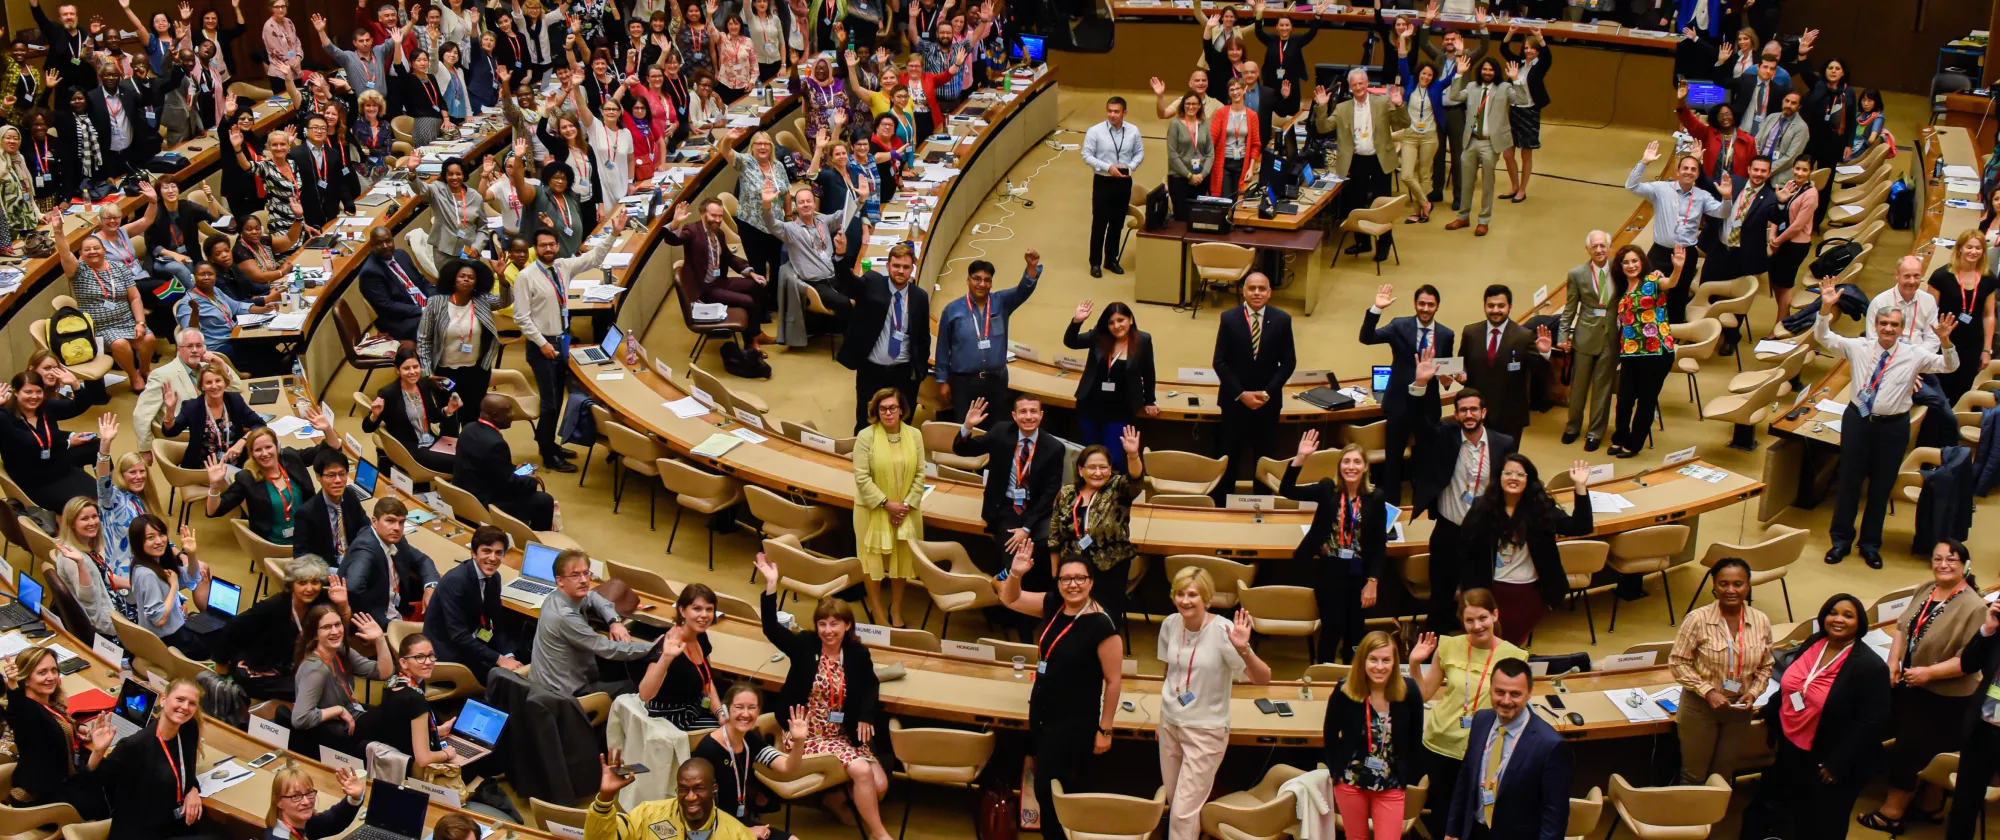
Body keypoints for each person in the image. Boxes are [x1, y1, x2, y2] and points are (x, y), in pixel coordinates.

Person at [1814, 278, 1958, 567]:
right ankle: (1840, 541)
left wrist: (1945, 341)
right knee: (1848, 484)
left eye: (1894, 324)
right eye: (1884, 324)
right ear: (1876, 325)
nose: (1888, 329)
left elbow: (1949, 366)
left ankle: (1870, 544)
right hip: (1858, 420)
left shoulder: (1914, 355)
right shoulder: (1859, 347)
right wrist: (1824, 310)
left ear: (1902, 328)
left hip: (1892, 427)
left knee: (1880, 488)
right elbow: (1824, 338)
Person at [752, 552, 893, 840]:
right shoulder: (805, 646)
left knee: (880, 787)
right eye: (822, 624)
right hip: (805, 732)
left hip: (840, 732)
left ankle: (833, 800)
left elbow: (871, 684)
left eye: (834, 624)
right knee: (862, 772)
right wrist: (770, 586)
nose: (828, 631)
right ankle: (880, 835)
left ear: (847, 626)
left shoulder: (856, 653)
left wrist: (866, 714)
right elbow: (770, 628)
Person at [996, 550, 1122, 840]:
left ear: (1091, 582)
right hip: (1042, 710)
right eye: (1066, 579)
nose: (1072, 584)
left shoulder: (1102, 624)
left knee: (1046, 788)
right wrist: (1016, 573)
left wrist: (1106, 729)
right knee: (1051, 784)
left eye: (1080, 578)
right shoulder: (1054, 604)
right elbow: (1010, 598)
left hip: (1073, 719)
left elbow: (1113, 682)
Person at [1753, 592, 1886, 840]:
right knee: (1793, 812)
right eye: (1833, 613)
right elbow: (1793, 683)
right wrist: (1770, 711)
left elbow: (1870, 722)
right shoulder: (1816, 641)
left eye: (1848, 616)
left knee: (1823, 822)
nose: (1838, 619)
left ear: (1860, 624)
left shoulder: (1870, 666)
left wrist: (1838, 764)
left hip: (1831, 756)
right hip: (1794, 745)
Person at [1154, 567, 1269, 840]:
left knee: (1183, 811)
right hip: (1171, 726)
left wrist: (1244, 648)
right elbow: (1169, 674)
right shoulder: (1170, 624)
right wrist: (1162, 719)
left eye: (1192, 595)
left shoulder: (1224, 631)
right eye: (1179, 594)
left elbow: (1262, 678)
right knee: (1181, 805)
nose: (1185, 601)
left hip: (1205, 731)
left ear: (1207, 599)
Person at [1407, 353, 1517, 634]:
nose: (1469, 415)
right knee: (1440, 600)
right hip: (1448, 532)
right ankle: (1434, 653)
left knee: (1478, 601)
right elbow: (1418, 424)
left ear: (1484, 413)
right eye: (1463, 410)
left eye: (1474, 410)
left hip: (1483, 534)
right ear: (1456, 415)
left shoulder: (1503, 444)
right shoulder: (1444, 435)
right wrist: (1420, 384)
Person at [513, 206, 627, 469]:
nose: (549, 249)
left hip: (562, 340)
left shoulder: (563, 266)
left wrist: (614, 234)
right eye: (543, 246)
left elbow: (595, 259)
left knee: (559, 397)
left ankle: (552, 445)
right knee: (550, 404)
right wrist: (541, 344)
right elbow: (521, 317)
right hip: (541, 345)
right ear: (536, 248)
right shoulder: (526, 277)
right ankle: (547, 453)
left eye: (553, 244)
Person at [1408, 589, 1526, 840]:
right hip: (1440, 742)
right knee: (1441, 813)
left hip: (1483, 749)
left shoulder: (1515, 656)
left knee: (1477, 816)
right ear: (1462, 621)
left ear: (1495, 615)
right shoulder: (1449, 646)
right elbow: (1425, 694)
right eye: (1469, 620)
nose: (1477, 626)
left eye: (1482, 617)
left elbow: (1515, 706)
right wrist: (1415, 664)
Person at [1459, 455, 1593, 644]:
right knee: (1487, 644)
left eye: (1520, 474)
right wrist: (1470, 593)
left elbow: (1581, 527)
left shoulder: (1541, 508)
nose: (1514, 478)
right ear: (1499, 477)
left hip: (1528, 593)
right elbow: (1465, 549)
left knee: (1511, 644)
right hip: (1491, 592)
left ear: (1528, 480)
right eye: (1508, 473)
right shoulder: (1482, 508)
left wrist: (1580, 487)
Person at [1279, 432, 1385, 662]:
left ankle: (1351, 677)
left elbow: (1378, 544)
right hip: (1330, 569)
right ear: (1339, 467)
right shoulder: (1327, 489)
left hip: (1359, 571)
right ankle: (1323, 677)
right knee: (1330, 629)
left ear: (1366, 467)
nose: (1351, 467)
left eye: (1357, 462)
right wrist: (1300, 458)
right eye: (1346, 462)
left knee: (1355, 632)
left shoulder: (1375, 498)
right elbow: (1287, 490)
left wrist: (1373, 581)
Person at [1443, 658, 1572, 840]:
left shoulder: (1551, 746)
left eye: (1515, 694)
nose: (1506, 701)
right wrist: (1452, 830)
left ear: (1529, 694)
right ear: (1491, 689)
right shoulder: (1481, 720)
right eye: (1499, 692)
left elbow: (1554, 816)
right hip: (1473, 831)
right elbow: (1465, 779)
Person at [1671, 557, 1774, 783]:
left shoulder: (1761, 621)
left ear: (1748, 586)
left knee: (1723, 773)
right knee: (1694, 774)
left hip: (1739, 709)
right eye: (1723, 584)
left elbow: (1766, 665)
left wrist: (1755, 692)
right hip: (1700, 707)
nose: (1730, 590)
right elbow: (1678, 662)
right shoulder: (1697, 619)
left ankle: (1712, 818)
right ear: (1714, 586)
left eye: (1738, 584)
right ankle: (1691, 818)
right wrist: (1708, 691)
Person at [1044, 427, 1146, 632]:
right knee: (1074, 618)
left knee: (1105, 619)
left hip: (1110, 567)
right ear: (1081, 470)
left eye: (1103, 467)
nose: (1098, 472)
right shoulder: (1067, 493)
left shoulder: (1118, 488)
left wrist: (1133, 455)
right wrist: (1056, 571)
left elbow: (1135, 480)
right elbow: (1054, 535)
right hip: (1073, 568)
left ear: (1110, 469)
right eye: (1092, 467)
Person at [952, 394, 1064, 580]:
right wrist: (968, 426)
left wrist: (1026, 528)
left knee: (1047, 545)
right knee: (1014, 554)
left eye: (1033, 411)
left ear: (1041, 415)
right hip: (1005, 506)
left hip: (1036, 509)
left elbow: (1050, 492)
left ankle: (1029, 592)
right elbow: (963, 450)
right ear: (1014, 415)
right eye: (1023, 412)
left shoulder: (1054, 448)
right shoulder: (1000, 432)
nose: (1028, 416)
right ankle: (1003, 587)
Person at [1325, 631, 1422, 840]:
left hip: (1391, 783)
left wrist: (1407, 774)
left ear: (1395, 662)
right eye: (1373, 660)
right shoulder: (1345, 690)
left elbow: (1416, 738)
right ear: (1363, 660)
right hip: (1351, 781)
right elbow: (1330, 733)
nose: (1379, 667)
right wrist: (1336, 771)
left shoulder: (1409, 691)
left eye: (1386, 660)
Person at [1362, 283, 1453, 498]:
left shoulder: (1446, 334)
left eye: (1430, 305)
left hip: (1428, 407)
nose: (1425, 308)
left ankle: (1423, 502)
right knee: (1393, 460)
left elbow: (1446, 368)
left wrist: (1447, 380)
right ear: (1415, 304)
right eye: (1421, 303)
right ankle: (1390, 507)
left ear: (1437, 307)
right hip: (1399, 404)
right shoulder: (1399, 326)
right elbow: (1367, 338)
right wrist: (1377, 309)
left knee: (1426, 459)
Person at [1212, 272, 1296, 503]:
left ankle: (1263, 508)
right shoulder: (1229, 319)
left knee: (1263, 461)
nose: (1256, 293)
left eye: (1261, 288)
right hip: (1234, 404)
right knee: (1230, 460)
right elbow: (1219, 362)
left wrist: (1268, 392)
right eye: (1252, 288)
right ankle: (1221, 508)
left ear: (1269, 292)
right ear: (1243, 291)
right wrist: (1241, 394)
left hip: (1267, 405)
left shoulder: (1282, 320)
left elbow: (1288, 362)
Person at [99, 678, 217, 840]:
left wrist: (192, 789)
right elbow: (98, 784)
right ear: (163, 700)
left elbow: (187, 771)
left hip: (173, 823)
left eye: (192, 703)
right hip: (141, 831)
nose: (185, 707)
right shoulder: (135, 745)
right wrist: (98, 752)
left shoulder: (188, 729)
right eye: (180, 699)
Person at [48, 207, 153, 389]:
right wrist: (58, 231)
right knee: (120, 344)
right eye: (87, 250)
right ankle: (134, 375)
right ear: (81, 255)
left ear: (104, 250)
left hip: (126, 320)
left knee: (149, 340)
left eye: (96, 248)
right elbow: (65, 254)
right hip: (99, 326)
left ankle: (145, 369)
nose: (92, 252)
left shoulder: (119, 268)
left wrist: (140, 322)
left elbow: (135, 297)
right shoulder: (79, 271)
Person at [205, 410, 343, 545]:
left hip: (309, 535)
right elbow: (214, 511)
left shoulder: (290, 458)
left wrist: (328, 429)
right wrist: (214, 486)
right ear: (252, 454)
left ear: (276, 447)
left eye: (268, 447)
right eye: (258, 450)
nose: (265, 453)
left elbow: (330, 450)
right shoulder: (246, 478)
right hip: (275, 545)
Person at [1, 647, 111, 816]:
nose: (51, 677)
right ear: (26, 679)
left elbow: (55, 720)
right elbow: (21, 715)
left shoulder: (47, 703)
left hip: (48, 783)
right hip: (43, 803)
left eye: (54, 670)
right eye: (42, 672)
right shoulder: (28, 713)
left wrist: (77, 728)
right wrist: (97, 752)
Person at [1312, 68, 1408, 260]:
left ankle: (1383, 244)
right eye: (1354, 84)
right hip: (1356, 161)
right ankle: (1362, 242)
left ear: (1367, 83)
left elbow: (1402, 124)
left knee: (1382, 204)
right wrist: (1322, 106)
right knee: (1355, 203)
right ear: (1350, 87)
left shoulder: (1382, 103)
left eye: (1361, 83)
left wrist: (1399, 105)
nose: (1358, 87)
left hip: (1380, 160)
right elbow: (1323, 128)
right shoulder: (1343, 108)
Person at [530, 548, 653, 697]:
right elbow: (607, 648)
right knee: (633, 687)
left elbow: (593, 596)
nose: (583, 580)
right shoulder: (564, 617)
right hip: (565, 697)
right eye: (575, 575)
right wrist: (654, 648)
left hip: (553, 684)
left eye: (586, 573)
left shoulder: (556, 597)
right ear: (560, 580)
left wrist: (614, 621)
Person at [936, 251, 1041, 424]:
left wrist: (1031, 267)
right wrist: (942, 380)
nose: (982, 284)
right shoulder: (952, 310)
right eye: (977, 278)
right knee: (966, 429)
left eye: (987, 280)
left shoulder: (1002, 302)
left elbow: (1024, 290)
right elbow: (942, 348)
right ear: (968, 280)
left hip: (996, 382)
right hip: (964, 383)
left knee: (996, 431)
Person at [692, 683, 807, 838]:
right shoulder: (708, 750)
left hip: (739, 821)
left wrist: (799, 742)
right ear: (726, 710)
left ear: (758, 711)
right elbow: (695, 808)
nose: (745, 714)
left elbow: (787, 768)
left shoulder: (749, 740)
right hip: (712, 828)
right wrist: (745, 832)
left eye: (752, 708)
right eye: (739, 707)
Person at [852, 387, 926, 627]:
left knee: (901, 560)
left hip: (906, 511)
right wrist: (887, 504)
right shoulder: (866, 436)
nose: (888, 413)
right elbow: (862, 477)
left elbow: (920, 474)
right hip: (872, 510)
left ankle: (896, 609)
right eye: (882, 409)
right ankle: (878, 610)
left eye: (893, 407)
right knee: (871, 561)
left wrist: (903, 506)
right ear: (876, 411)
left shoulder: (914, 435)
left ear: (902, 409)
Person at [1626, 141, 1722, 320]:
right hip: (1660, 253)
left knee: (1679, 296)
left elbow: (1722, 212)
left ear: (1698, 174)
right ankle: (1649, 333)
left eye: (1693, 169)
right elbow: (1631, 186)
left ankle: (1674, 336)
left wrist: (1727, 197)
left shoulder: (1702, 196)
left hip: (1687, 254)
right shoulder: (1661, 189)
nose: (1688, 172)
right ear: (1677, 171)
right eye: (1685, 168)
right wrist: (1644, 162)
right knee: (1650, 293)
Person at [839, 243, 930, 431]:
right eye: (896, 266)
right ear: (888, 266)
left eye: (905, 267)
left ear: (912, 269)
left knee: (903, 423)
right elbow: (848, 283)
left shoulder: (920, 296)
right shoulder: (872, 282)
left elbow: (923, 336)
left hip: (904, 372)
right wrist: (840, 257)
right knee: (866, 421)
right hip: (872, 370)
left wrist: (920, 372)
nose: (900, 271)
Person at [661, 197, 770, 350]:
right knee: (748, 301)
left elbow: (729, 258)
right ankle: (750, 344)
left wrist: (750, 273)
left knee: (758, 285)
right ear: (702, 214)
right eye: (714, 216)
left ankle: (756, 333)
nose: (718, 220)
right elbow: (674, 240)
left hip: (720, 282)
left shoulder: (718, 233)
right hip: (705, 289)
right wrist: (675, 223)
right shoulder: (691, 230)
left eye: (720, 216)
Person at [1062, 300, 1159, 472]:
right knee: (1090, 458)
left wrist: (1150, 400)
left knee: (1113, 460)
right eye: (1111, 322)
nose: (1116, 326)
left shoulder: (1143, 340)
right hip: (1090, 406)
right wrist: (1077, 321)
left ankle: (1111, 498)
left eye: (1121, 320)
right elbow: (1071, 342)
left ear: (1130, 319)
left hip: (1121, 411)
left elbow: (1148, 372)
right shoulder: (1098, 336)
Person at [1607, 246, 1684, 457]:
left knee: (1646, 400)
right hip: (1631, 353)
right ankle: (1620, 437)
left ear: (1642, 262)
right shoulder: (1623, 289)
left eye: (1634, 261)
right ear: (1620, 267)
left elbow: (1671, 283)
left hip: (1656, 352)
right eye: (1626, 262)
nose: (1631, 266)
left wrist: (1677, 269)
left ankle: (1634, 443)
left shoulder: (1652, 280)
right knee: (1624, 399)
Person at [1440, 56, 1528, 235]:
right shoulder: (1472, 87)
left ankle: (1483, 220)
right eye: (1484, 69)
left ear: (1496, 72)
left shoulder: (1504, 88)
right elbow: (1454, 96)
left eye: (1491, 70)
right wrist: (1458, 74)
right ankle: (1463, 217)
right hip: (1471, 141)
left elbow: (1522, 100)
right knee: (1466, 182)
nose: (1487, 73)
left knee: (1488, 184)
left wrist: (1516, 79)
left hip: (1490, 143)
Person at [290, 603, 391, 756]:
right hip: (337, 730)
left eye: (338, 625)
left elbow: (383, 673)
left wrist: (380, 640)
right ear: (315, 634)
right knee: (397, 714)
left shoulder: (340, 651)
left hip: (353, 714)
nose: (335, 631)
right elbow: (300, 719)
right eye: (327, 627)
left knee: (396, 711)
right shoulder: (315, 669)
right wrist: (339, 710)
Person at [426, 525, 527, 675]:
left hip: (474, 640)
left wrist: (508, 656)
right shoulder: (455, 581)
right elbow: (458, 636)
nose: (493, 558)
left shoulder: (494, 578)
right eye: (486, 551)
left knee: (523, 654)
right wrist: (500, 659)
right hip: (447, 652)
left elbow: (497, 623)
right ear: (473, 553)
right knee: (498, 680)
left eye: (498, 553)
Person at [418, 258, 508, 424]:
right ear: (453, 278)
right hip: (445, 373)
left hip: (476, 371)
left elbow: (505, 301)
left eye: (471, 277)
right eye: (462, 276)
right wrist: (427, 372)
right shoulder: (436, 303)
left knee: (472, 416)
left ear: (476, 282)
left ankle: (469, 449)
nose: (466, 279)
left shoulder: (482, 301)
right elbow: (423, 340)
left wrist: (502, 278)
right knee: (449, 417)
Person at [1457, 285, 1551, 440]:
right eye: (1491, 306)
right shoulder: (1470, 333)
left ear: (1510, 307)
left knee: (1507, 461)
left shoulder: (1524, 336)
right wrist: (1462, 374)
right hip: (1476, 413)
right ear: (1484, 306)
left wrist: (1545, 353)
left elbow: (1539, 373)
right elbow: (1463, 364)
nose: (1495, 310)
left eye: (1501, 306)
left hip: (1510, 415)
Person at [356, 632, 462, 768]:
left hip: (382, 750)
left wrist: (436, 731)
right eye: (419, 657)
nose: (428, 662)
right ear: (403, 662)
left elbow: (402, 727)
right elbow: (423, 759)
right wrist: (448, 753)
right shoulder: (416, 698)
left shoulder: (393, 681)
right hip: (403, 766)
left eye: (431, 655)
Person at [590, 755, 757, 840]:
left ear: (714, 789)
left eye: (698, 789)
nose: (690, 797)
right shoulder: (647, 814)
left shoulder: (737, 835)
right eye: (683, 789)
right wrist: (605, 797)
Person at [456, 394, 560, 529]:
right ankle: (535, 542)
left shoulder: (468, 429)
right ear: (495, 415)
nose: (513, 415)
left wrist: (511, 469)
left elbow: (488, 466)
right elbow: (509, 485)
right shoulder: (496, 444)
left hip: (467, 493)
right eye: (508, 412)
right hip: (484, 503)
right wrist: (532, 480)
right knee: (544, 500)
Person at [0, 372, 96, 513]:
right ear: (15, 392)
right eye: (28, 392)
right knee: (81, 508)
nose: (34, 397)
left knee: (100, 497)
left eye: (38, 391)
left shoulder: (46, 407)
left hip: (61, 470)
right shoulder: (4, 416)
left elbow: (79, 406)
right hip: (35, 482)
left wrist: (75, 384)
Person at [363, 348, 462, 475]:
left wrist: (448, 410)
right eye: (406, 368)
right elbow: (367, 428)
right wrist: (374, 415)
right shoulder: (389, 393)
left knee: (470, 455)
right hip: (412, 450)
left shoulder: (423, 385)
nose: (412, 372)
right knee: (461, 463)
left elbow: (432, 417)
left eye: (415, 367)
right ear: (398, 370)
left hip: (433, 441)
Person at [637, 583, 725, 727]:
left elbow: (707, 680)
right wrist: (666, 657)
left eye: (709, 609)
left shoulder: (700, 636)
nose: (704, 615)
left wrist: (719, 713)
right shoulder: (668, 644)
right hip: (669, 720)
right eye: (697, 609)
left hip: (694, 709)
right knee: (729, 742)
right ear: (682, 611)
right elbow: (644, 695)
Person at [1560, 232, 1618, 450]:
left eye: (1603, 245)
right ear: (1588, 250)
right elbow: (1570, 307)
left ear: (1609, 246)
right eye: (1594, 247)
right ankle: (1572, 427)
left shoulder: (1620, 269)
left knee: (1602, 388)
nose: (1599, 250)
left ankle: (1595, 433)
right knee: (1578, 387)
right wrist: (1563, 335)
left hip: (1611, 336)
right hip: (1585, 335)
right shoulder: (1577, 274)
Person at [341, 497, 438, 626]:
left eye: (401, 522)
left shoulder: (397, 540)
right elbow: (353, 587)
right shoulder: (366, 548)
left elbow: (423, 561)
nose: (397, 528)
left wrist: (430, 587)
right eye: (390, 521)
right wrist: (378, 622)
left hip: (399, 609)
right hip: (382, 621)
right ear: (374, 522)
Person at [128, 515, 212, 659]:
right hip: (171, 642)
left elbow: (192, 579)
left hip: (176, 632)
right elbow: (159, 619)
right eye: (150, 537)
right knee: (225, 635)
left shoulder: (157, 562)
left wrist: (191, 555)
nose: (159, 541)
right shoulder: (147, 574)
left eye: (161, 534)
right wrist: (174, 587)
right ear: (138, 542)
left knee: (213, 626)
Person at [1930, 232, 1997, 403]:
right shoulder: (1941, 277)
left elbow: (1989, 315)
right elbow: (1929, 314)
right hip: (1944, 343)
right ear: (1959, 249)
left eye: (1978, 248)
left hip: (1972, 345)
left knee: (1962, 390)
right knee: (1939, 391)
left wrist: (1986, 350)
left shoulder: (1989, 278)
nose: (1973, 251)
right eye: (1969, 247)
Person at [160, 360, 262, 470]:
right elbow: (170, 432)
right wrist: (170, 411)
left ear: (225, 383)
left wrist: (242, 442)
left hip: (237, 464)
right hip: (204, 468)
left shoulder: (234, 400)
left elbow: (259, 424)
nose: (214, 386)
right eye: (208, 382)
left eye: (218, 381)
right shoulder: (192, 407)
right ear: (202, 386)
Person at [1081, 96, 1141, 278]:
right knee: (1100, 223)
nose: (1112, 115)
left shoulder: (1133, 131)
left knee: (1117, 223)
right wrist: (1108, 167)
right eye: (1110, 111)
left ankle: (1111, 260)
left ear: (1124, 113)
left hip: (1124, 181)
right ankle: (1095, 263)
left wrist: (1131, 166)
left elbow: (1139, 153)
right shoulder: (1095, 131)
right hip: (1103, 181)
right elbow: (1087, 155)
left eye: (1116, 111)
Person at [53, 496, 129, 640]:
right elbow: (86, 596)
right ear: (72, 523)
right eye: (84, 519)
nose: (92, 522)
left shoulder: (85, 545)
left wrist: (134, 584)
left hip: (110, 603)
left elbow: (104, 576)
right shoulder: (72, 557)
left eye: (94, 516)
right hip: (106, 624)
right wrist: (81, 564)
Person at [356, 226, 437, 348]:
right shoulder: (370, 273)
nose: (385, 246)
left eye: (388, 241)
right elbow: (387, 306)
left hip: (421, 305)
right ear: (371, 247)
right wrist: (423, 309)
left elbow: (422, 281)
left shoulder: (401, 255)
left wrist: (436, 299)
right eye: (379, 243)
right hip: (399, 320)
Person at [289, 448, 366, 568]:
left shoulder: (350, 494)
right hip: (328, 571)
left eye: (342, 474)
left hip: (354, 561)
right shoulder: (306, 513)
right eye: (331, 475)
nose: (338, 480)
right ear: (318, 477)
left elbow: (365, 527)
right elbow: (300, 556)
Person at [1767, 158, 1818, 317]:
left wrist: (1778, 240)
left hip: (1795, 245)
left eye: (1804, 170)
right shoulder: (1792, 186)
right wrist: (1772, 233)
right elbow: (1780, 209)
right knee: (1775, 280)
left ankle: (1781, 322)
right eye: (1797, 168)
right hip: (1782, 240)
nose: (1799, 173)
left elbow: (1797, 225)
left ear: (1810, 172)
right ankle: (1784, 314)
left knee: (1785, 285)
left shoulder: (1811, 194)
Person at [1676, 83, 1753, 180]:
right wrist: (1681, 101)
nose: (1725, 118)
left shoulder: (1748, 141)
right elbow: (1689, 121)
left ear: (1734, 117)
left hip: (1735, 188)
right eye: (1720, 115)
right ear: (1716, 119)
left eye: (1727, 114)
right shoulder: (1708, 133)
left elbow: (1752, 168)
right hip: (1710, 184)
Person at [265, 765, 364, 839]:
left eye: (309, 793)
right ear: (279, 802)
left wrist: (355, 797)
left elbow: (334, 820)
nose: (306, 801)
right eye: (296, 796)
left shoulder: (302, 821)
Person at [1162, 90, 1212, 221]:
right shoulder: (1175, 124)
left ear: (1200, 106)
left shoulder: (1204, 124)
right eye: (1188, 103)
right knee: (1181, 219)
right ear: (1183, 105)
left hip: (1201, 179)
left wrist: (1202, 175)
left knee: (1197, 219)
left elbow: (1210, 153)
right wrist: (1189, 175)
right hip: (1179, 179)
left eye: (1194, 104)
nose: (1191, 107)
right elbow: (1172, 154)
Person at [1209, 77, 1259, 201]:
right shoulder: (1221, 112)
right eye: (1232, 89)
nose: (1235, 92)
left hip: (1242, 163)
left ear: (1244, 90)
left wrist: (1251, 168)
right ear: (1229, 93)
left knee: (1239, 200)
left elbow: (1255, 144)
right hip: (1224, 163)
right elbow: (1211, 140)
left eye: (1238, 88)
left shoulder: (1252, 115)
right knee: (1225, 199)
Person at [1754, 91, 1809, 186]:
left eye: (1793, 103)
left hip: (1778, 176)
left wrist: (1767, 170)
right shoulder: (1772, 117)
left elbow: (1791, 157)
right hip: (1759, 169)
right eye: (1787, 101)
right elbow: (1757, 141)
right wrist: (1758, 164)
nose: (1789, 105)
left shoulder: (1802, 128)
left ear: (1799, 107)